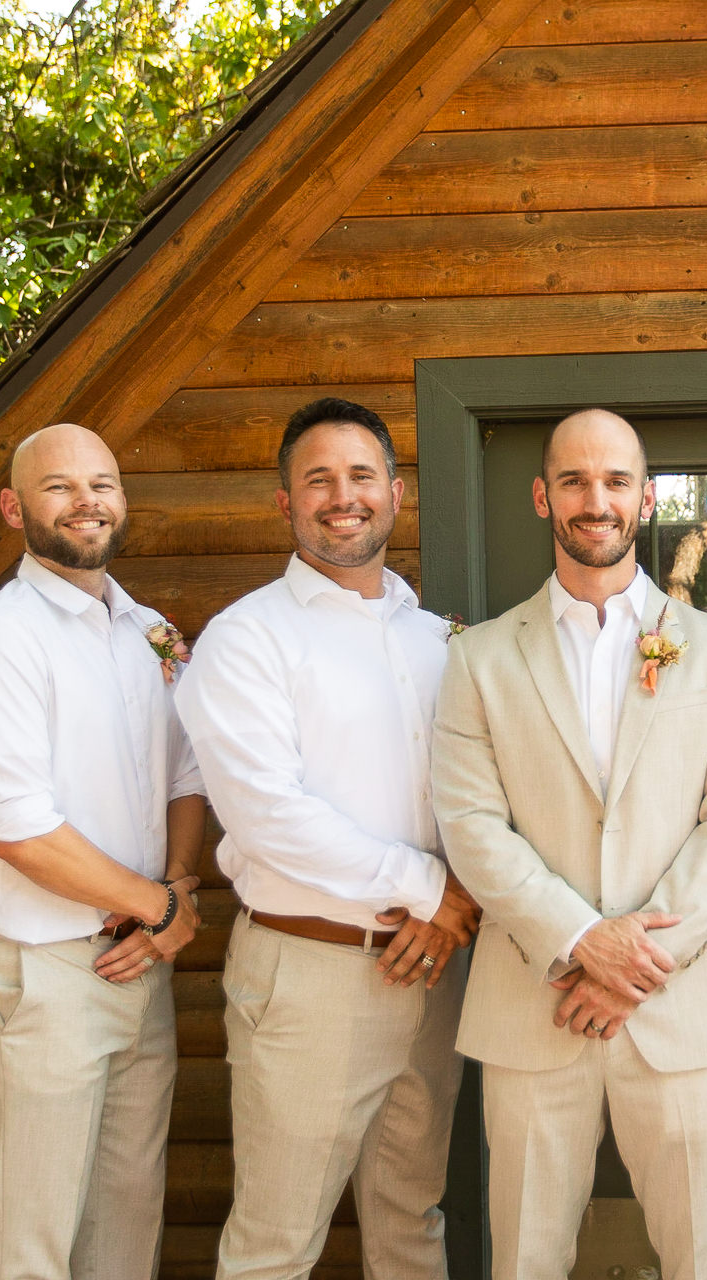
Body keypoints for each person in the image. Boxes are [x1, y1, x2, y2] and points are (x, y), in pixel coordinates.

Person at [431, 408, 707, 1280]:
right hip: (532, 1006)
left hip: (679, 1008)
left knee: (703, 1260)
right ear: (543, 497)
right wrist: (583, 942)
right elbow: (471, 825)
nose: (597, 499)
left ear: (646, 498)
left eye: (616, 480)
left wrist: (635, 960)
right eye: (575, 481)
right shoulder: (477, 662)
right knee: (525, 1261)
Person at [174, 398, 481, 1280]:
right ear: (285, 504)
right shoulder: (246, 640)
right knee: (277, 1239)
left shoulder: (441, 643)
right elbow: (269, 813)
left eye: (360, 476)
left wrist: (449, 904)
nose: (342, 497)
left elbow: (478, 794)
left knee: (412, 1219)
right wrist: (434, 890)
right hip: (310, 976)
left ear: (396, 492)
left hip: (432, 967)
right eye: (318, 480)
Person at [0, 423, 207, 1280]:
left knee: (125, 1229)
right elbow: (17, 827)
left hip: (135, 961)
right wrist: (161, 907)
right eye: (60, 486)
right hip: (35, 973)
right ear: (14, 508)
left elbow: (185, 775)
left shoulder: (148, 631)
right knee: (29, 1241)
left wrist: (179, 888)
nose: (87, 500)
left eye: (104, 483)